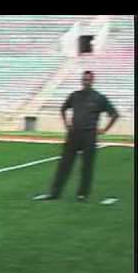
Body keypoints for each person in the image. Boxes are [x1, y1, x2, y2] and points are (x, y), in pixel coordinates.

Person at [35, 71, 119, 202]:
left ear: (92, 81)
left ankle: (82, 195)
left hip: (89, 135)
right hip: (73, 134)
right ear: (81, 80)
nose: (86, 82)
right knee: (64, 164)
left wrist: (104, 130)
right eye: (84, 79)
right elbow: (63, 108)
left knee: (87, 166)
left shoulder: (99, 98)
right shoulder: (74, 96)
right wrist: (67, 124)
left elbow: (114, 114)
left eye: (89, 80)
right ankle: (54, 193)